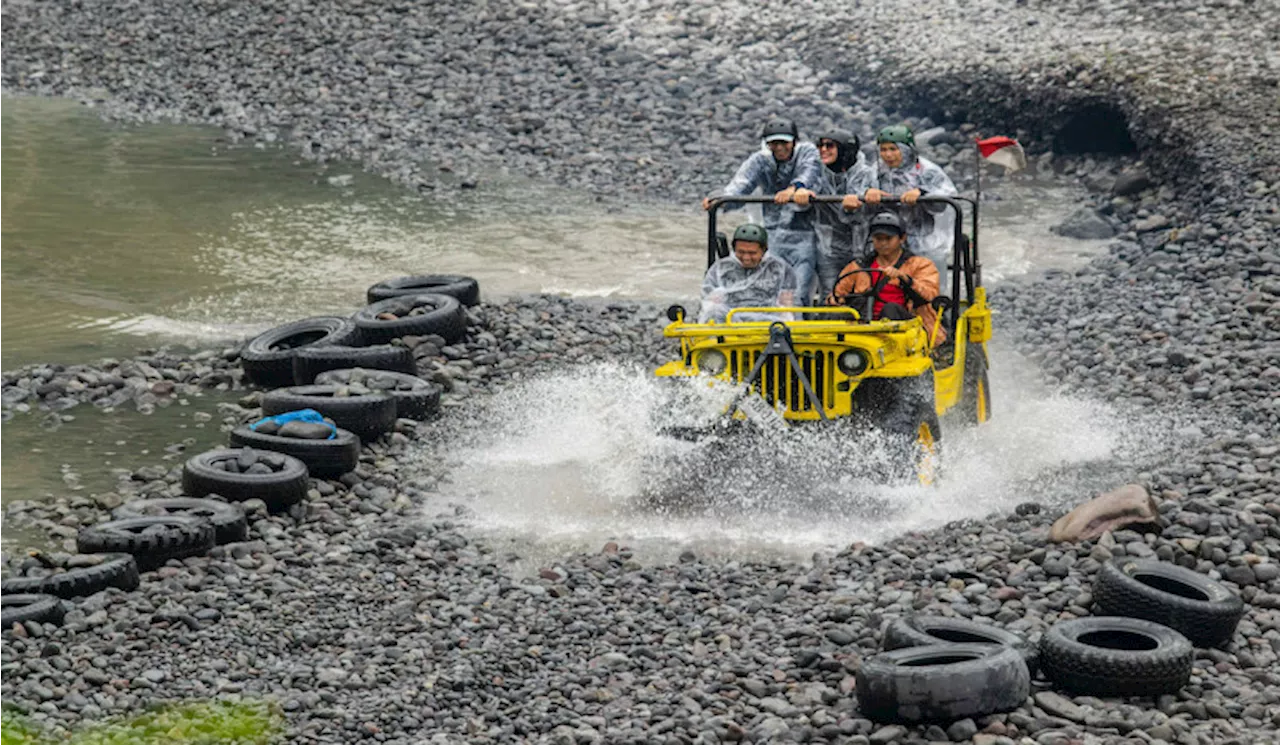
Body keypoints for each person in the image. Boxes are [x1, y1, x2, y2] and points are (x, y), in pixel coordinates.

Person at [702, 120, 822, 304]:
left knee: (799, 289)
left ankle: (799, 326)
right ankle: (769, 323)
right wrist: (720, 200)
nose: (779, 148)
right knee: (772, 286)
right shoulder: (761, 160)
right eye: (774, 143)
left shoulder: (806, 151)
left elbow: (810, 170)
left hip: (805, 235)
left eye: (784, 143)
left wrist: (795, 188)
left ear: (794, 142)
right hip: (774, 234)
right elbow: (742, 183)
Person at [829, 212, 946, 344]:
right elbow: (836, 294)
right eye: (878, 238)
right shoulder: (858, 266)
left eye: (888, 238)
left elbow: (930, 295)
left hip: (907, 327)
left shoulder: (920, 264)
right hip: (864, 323)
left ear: (902, 238)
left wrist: (905, 279)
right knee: (837, 314)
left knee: (890, 309)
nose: (883, 243)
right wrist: (836, 299)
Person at [863, 124, 957, 284]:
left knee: (929, 286)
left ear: (906, 149)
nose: (888, 155)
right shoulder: (877, 171)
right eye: (883, 150)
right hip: (890, 239)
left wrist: (922, 193)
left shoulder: (928, 171)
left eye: (893, 149)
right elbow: (860, 192)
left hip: (926, 238)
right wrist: (868, 192)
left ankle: (938, 308)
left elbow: (947, 199)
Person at [793, 130, 876, 298]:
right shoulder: (819, 172)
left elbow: (866, 214)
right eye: (820, 145)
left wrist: (855, 205)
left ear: (845, 149)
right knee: (830, 295)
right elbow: (805, 190)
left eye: (829, 146)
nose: (823, 150)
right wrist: (802, 192)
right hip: (829, 249)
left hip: (864, 247)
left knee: (864, 295)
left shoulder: (866, 174)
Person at [699, 224, 799, 323]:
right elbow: (709, 301)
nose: (746, 258)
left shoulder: (779, 268)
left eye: (752, 253)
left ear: (764, 250)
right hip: (730, 322)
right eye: (741, 252)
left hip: (768, 322)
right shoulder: (720, 269)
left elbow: (788, 305)